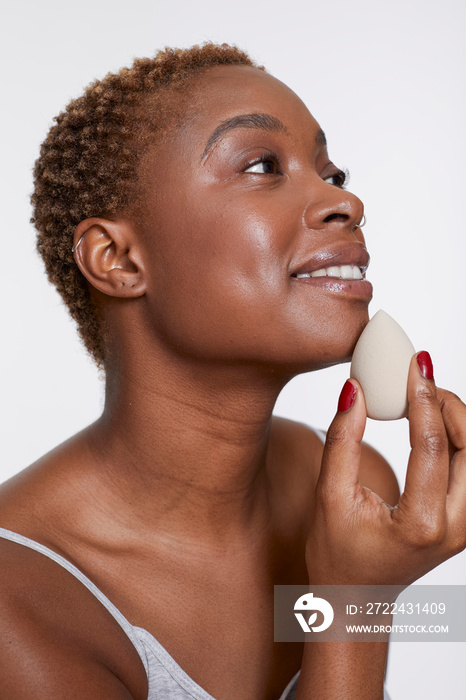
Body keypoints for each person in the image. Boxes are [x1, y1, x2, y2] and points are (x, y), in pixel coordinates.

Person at [0, 42, 464, 700]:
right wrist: (353, 600)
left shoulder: (345, 492)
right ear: (118, 260)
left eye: (331, 174)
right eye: (262, 165)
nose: (347, 203)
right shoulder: (19, 605)